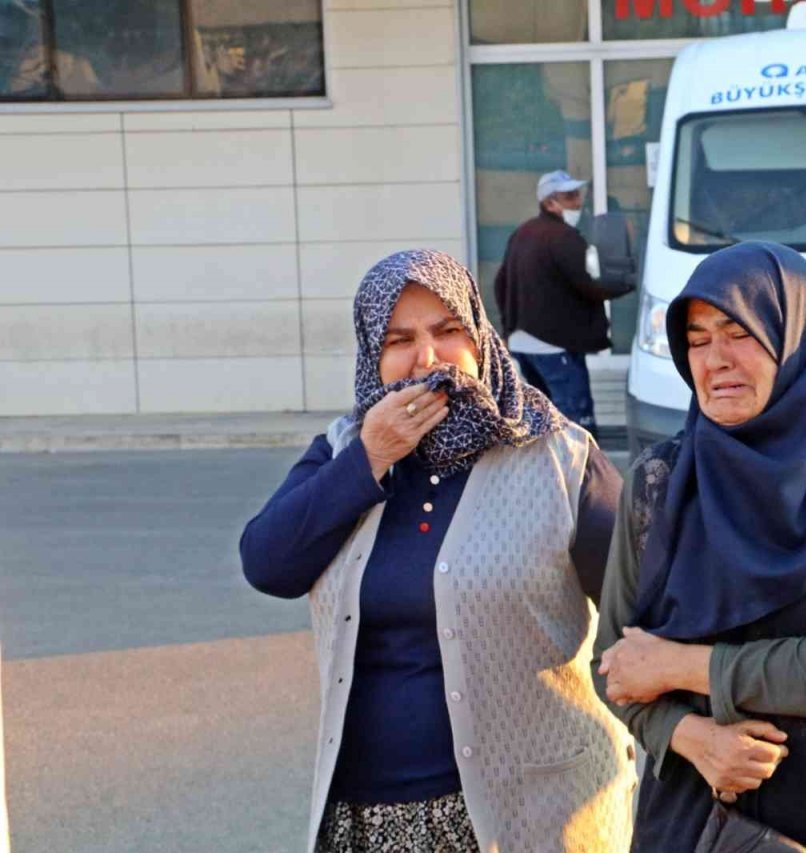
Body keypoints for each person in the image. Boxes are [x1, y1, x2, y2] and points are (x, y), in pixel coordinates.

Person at [240, 249, 635, 853]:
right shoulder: (346, 448)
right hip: (367, 820)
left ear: (480, 339)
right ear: (373, 357)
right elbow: (268, 564)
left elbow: (650, 607)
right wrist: (371, 457)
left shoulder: (557, 455)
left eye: (447, 331)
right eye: (399, 340)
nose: (427, 358)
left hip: (529, 816)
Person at [591, 241, 806, 852]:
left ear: (794, 337)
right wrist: (690, 735)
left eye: (738, 332)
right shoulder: (660, 483)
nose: (715, 359)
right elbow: (613, 664)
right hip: (688, 817)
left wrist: (683, 667)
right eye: (697, 340)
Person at [495, 169, 622, 437]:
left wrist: (508, 330)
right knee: (576, 418)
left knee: (544, 416)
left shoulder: (522, 233)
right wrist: (621, 285)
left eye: (577, 194)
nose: (578, 202)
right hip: (554, 345)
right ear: (550, 203)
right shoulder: (563, 237)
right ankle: (586, 476)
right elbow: (586, 285)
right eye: (569, 196)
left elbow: (500, 283)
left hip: (523, 344)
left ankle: (551, 473)